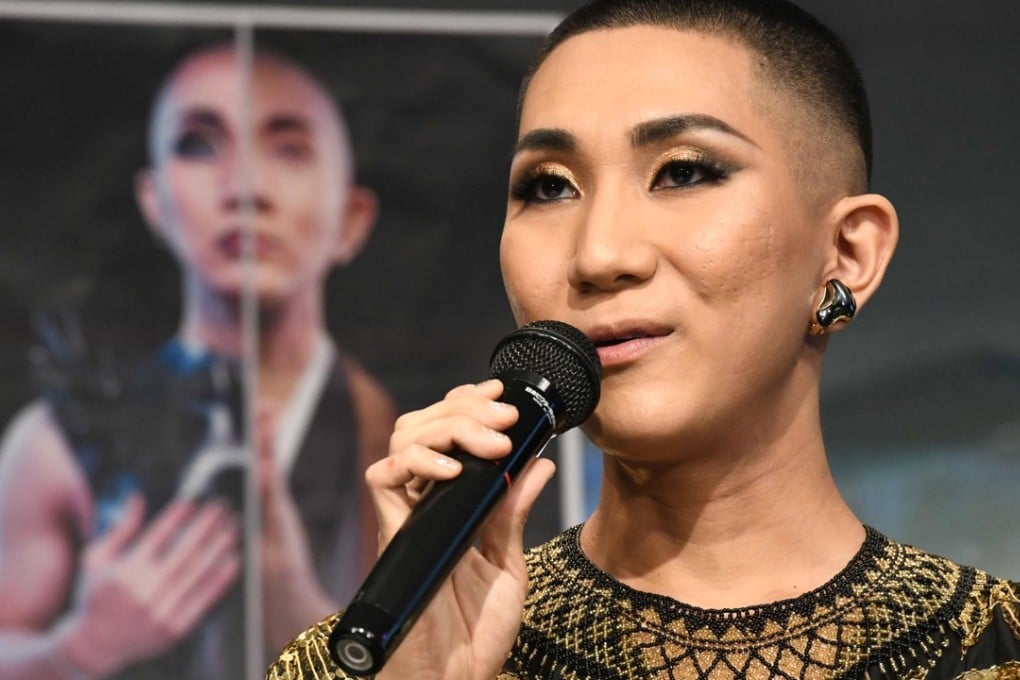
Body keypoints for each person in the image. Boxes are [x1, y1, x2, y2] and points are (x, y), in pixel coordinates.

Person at [267, 0, 1020, 678]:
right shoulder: (363, 666)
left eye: (683, 172)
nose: (599, 255)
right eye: (549, 186)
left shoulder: (999, 646)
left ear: (848, 252)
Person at [0, 43, 396, 678]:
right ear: (154, 201)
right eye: (199, 145)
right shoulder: (57, 444)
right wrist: (78, 650)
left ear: (351, 218)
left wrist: (287, 593)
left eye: (290, 150)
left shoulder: (405, 440)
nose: (245, 189)